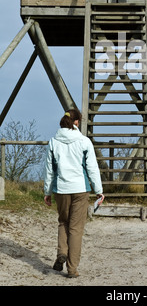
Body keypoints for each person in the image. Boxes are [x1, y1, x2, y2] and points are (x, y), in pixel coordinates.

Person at [43, 108, 103, 278]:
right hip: (80, 189)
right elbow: (92, 167)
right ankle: (72, 269)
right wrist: (98, 190)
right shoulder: (84, 142)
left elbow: (49, 170)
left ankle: (62, 252)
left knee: (63, 222)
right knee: (76, 229)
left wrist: (47, 191)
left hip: (61, 189)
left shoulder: (53, 142)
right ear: (77, 122)